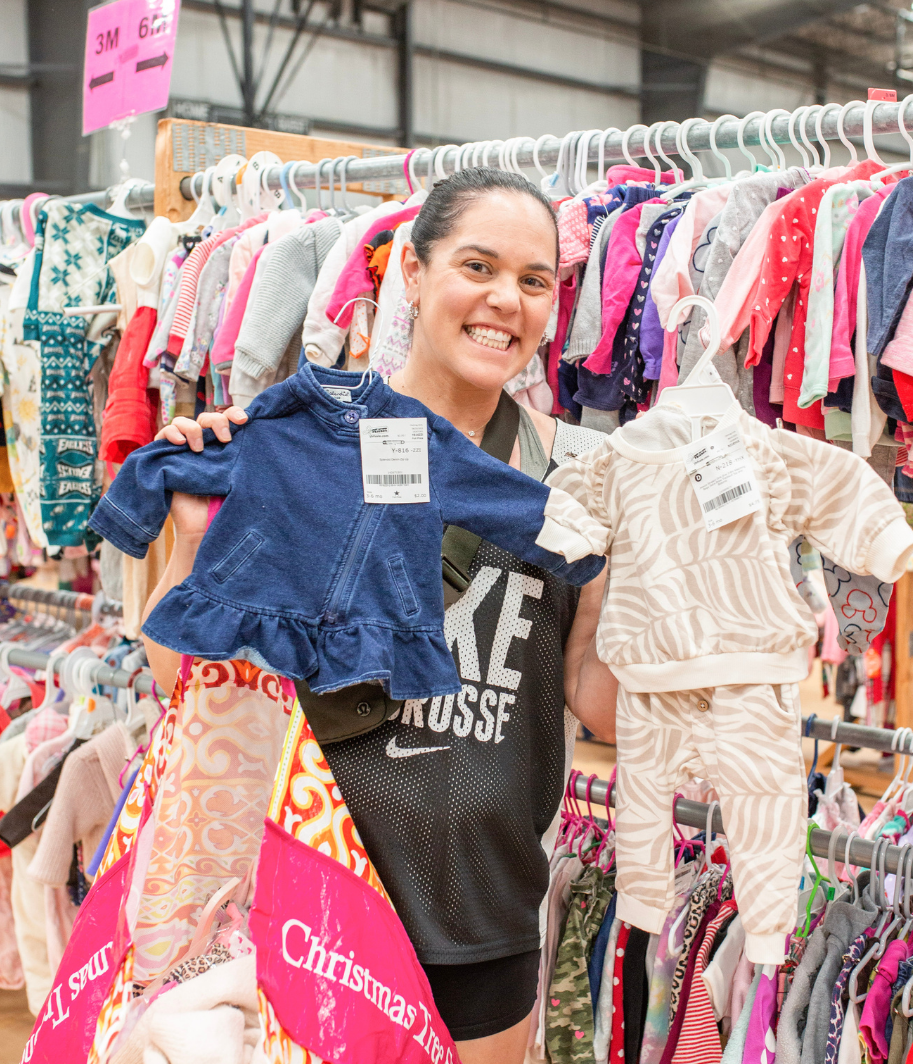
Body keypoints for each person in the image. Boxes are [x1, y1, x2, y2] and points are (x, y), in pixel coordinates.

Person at [144, 167, 618, 1064]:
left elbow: (599, 703)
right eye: (476, 266)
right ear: (411, 270)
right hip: (302, 903)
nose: (504, 302)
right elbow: (187, 687)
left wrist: (708, 633)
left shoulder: (583, 474)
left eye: (533, 280)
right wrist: (200, 541)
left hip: (484, 912)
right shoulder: (301, 445)